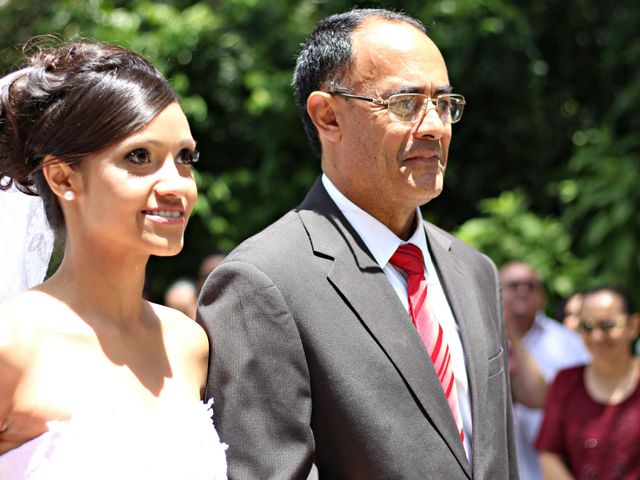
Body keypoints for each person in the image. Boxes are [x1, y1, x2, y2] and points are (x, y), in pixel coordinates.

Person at [198, 8, 518, 479]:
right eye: (406, 103)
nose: (435, 127)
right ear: (328, 115)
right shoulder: (263, 281)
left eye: (444, 103)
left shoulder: (474, 270)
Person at [0, 41, 227, 478]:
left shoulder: (188, 343)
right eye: (139, 157)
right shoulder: (12, 344)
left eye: (185, 158)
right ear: (64, 177)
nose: (176, 184)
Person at [536, 286, 640, 479]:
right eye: (587, 327)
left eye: (608, 325)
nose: (597, 337)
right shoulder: (565, 382)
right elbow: (550, 454)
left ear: (633, 326)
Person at [500, 261, 589, 480]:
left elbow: (538, 398)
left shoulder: (567, 343)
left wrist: (514, 336)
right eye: (514, 285)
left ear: (543, 297)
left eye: (530, 286)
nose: (522, 291)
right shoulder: (472, 337)